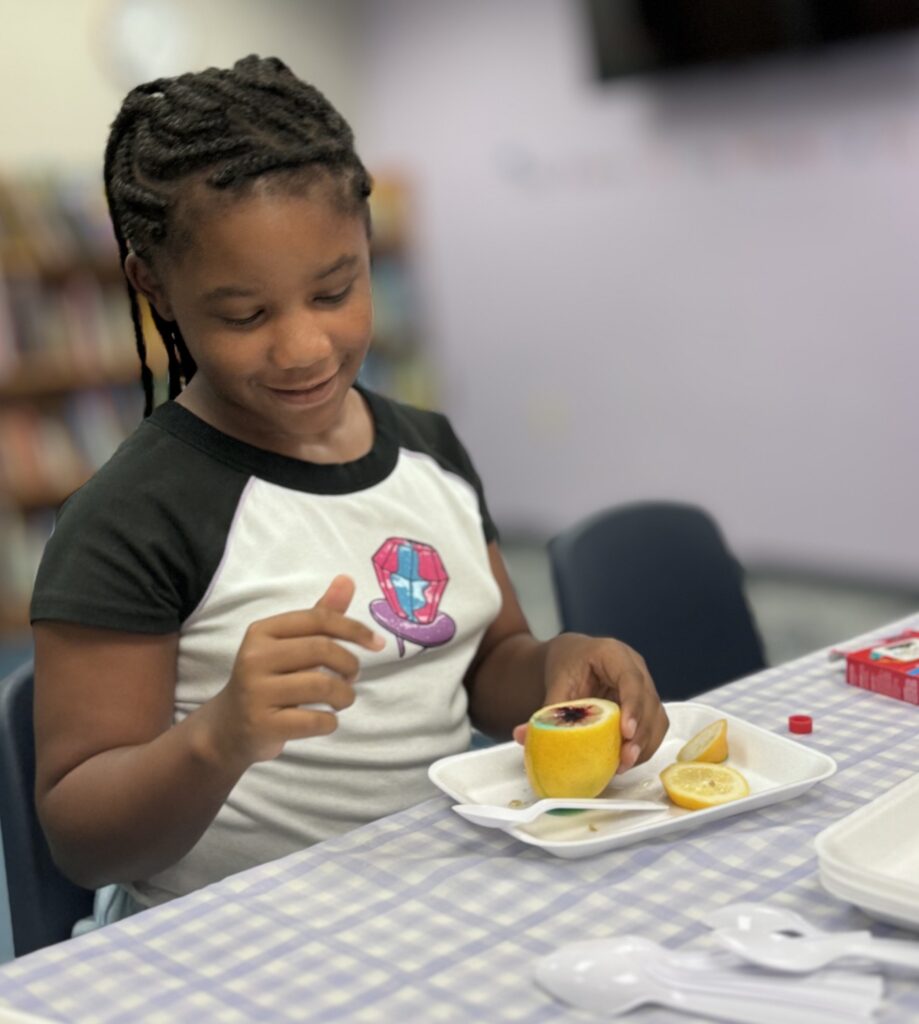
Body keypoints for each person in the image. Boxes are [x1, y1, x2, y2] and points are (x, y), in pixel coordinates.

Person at [30, 55, 669, 917]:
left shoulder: (428, 451)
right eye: (245, 314)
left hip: (434, 895)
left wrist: (561, 665)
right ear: (157, 290)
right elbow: (83, 841)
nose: (303, 348)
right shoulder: (133, 517)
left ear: (368, 245)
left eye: (334, 292)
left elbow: (486, 667)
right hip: (238, 932)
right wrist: (219, 738)